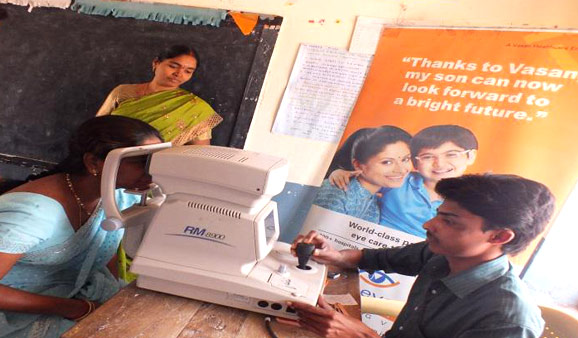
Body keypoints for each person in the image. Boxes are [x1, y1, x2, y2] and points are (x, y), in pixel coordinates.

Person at [288, 174, 555, 338]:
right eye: (439, 213)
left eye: (450, 221)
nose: (429, 225)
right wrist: (335, 255)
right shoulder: (443, 254)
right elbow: (376, 259)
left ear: (498, 237)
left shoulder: (507, 321)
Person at [0, 116, 163, 338]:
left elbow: (104, 248)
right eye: (142, 163)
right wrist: (73, 308)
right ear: (94, 163)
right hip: (17, 314)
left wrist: (113, 297)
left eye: (157, 162)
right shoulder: (33, 213)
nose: (152, 173)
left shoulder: (117, 196)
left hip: (76, 293)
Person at [330, 125, 478, 237]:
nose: (439, 164)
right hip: (372, 246)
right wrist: (339, 172)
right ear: (414, 161)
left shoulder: (473, 200)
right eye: (427, 157)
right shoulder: (399, 180)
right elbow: (365, 181)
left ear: (470, 156)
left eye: (451, 155)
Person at [96, 44, 222, 146]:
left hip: (156, 169)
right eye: (173, 66)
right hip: (107, 159)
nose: (179, 74)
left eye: (188, 71)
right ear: (156, 63)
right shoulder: (122, 92)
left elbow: (199, 153)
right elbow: (95, 127)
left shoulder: (195, 108)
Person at [313, 126, 412, 223]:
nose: (401, 170)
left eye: (405, 159)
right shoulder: (337, 191)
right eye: (387, 162)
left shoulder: (374, 201)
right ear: (358, 165)